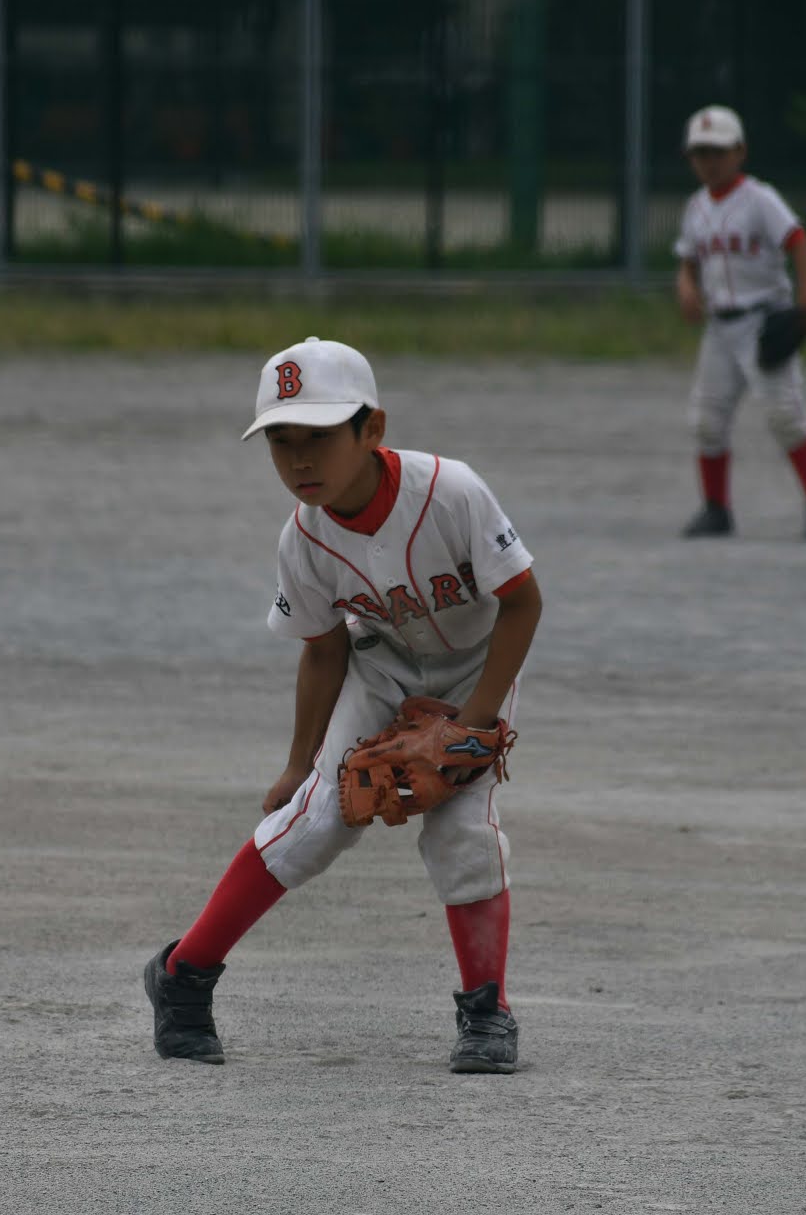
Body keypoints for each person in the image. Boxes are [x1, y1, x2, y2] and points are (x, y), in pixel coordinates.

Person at [144, 337, 544, 1074]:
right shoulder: (303, 538)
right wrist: (298, 764)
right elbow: (325, 650)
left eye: (319, 436)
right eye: (281, 441)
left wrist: (477, 721)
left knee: (463, 832)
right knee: (315, 822)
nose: (299, 460)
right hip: (381, 665)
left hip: (477, 668)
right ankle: (182, 975)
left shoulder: (450, 492)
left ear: (372, 429)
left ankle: (488, 1010)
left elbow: (522, 603)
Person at [672, 104, 806, 540]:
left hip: (763, 322)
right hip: (719, 329)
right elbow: (688, 260)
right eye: (700, 153)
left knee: (785, 415)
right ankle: (716, 510)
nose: (709, 161)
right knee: (706, 421)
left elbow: (798, 241)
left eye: (718, 152)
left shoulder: (760, 198)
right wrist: (686, 287)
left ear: (740, 152)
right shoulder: (695, 207)